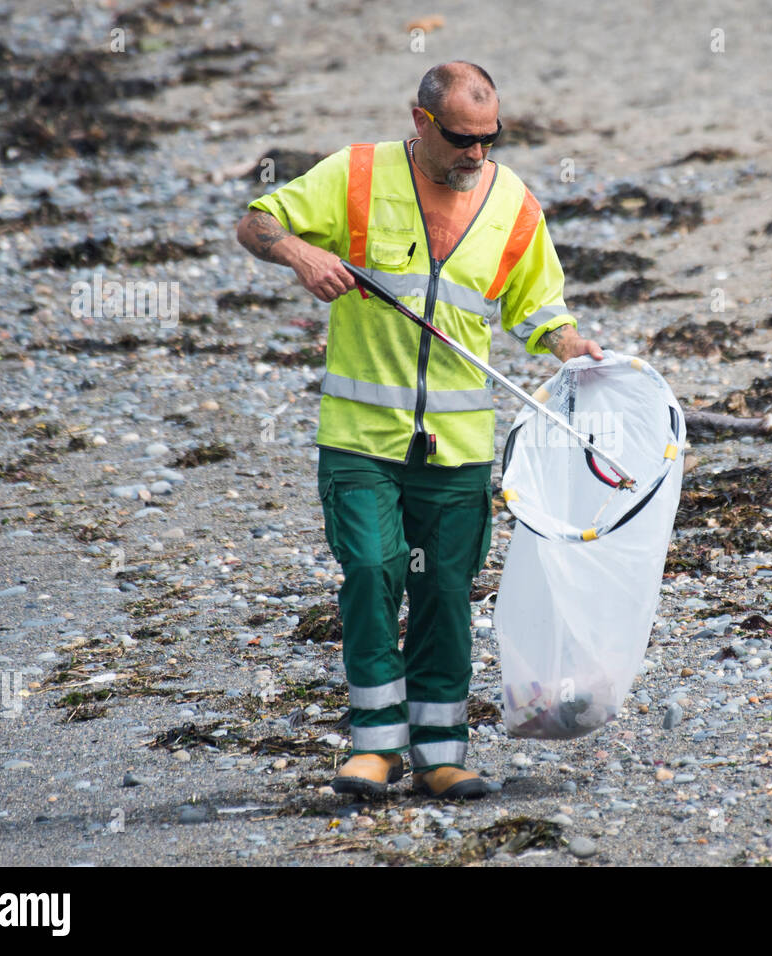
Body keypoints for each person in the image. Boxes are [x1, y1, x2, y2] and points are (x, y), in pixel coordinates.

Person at [235, 61, 603, 800]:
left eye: (489, 138)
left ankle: (441, 751)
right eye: (463, 139)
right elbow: (256, 221)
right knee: (372, 573)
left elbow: (537, 307)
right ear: (422, 121)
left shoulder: (514, 204)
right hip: (360, 441)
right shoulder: (359, 175)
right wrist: (302, 253)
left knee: (444, 594)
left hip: (457, 452)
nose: (477, 154)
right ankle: (375, 749)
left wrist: (571, 347)